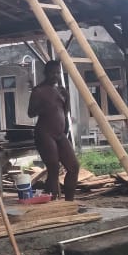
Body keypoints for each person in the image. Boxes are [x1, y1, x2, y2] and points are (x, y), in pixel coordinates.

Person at [26, 60, 80, 201]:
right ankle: (52, 202)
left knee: (74, 167)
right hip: (45, 133)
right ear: (45, 73)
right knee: (54, 168)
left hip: (60, 133)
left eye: (57, 73)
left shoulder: (60, 90)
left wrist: (66, 98)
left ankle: (69, 203)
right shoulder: (38, 91)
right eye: (52, 73)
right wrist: (45, 106)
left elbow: (64, 111)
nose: (55, 76)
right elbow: (31, 113)